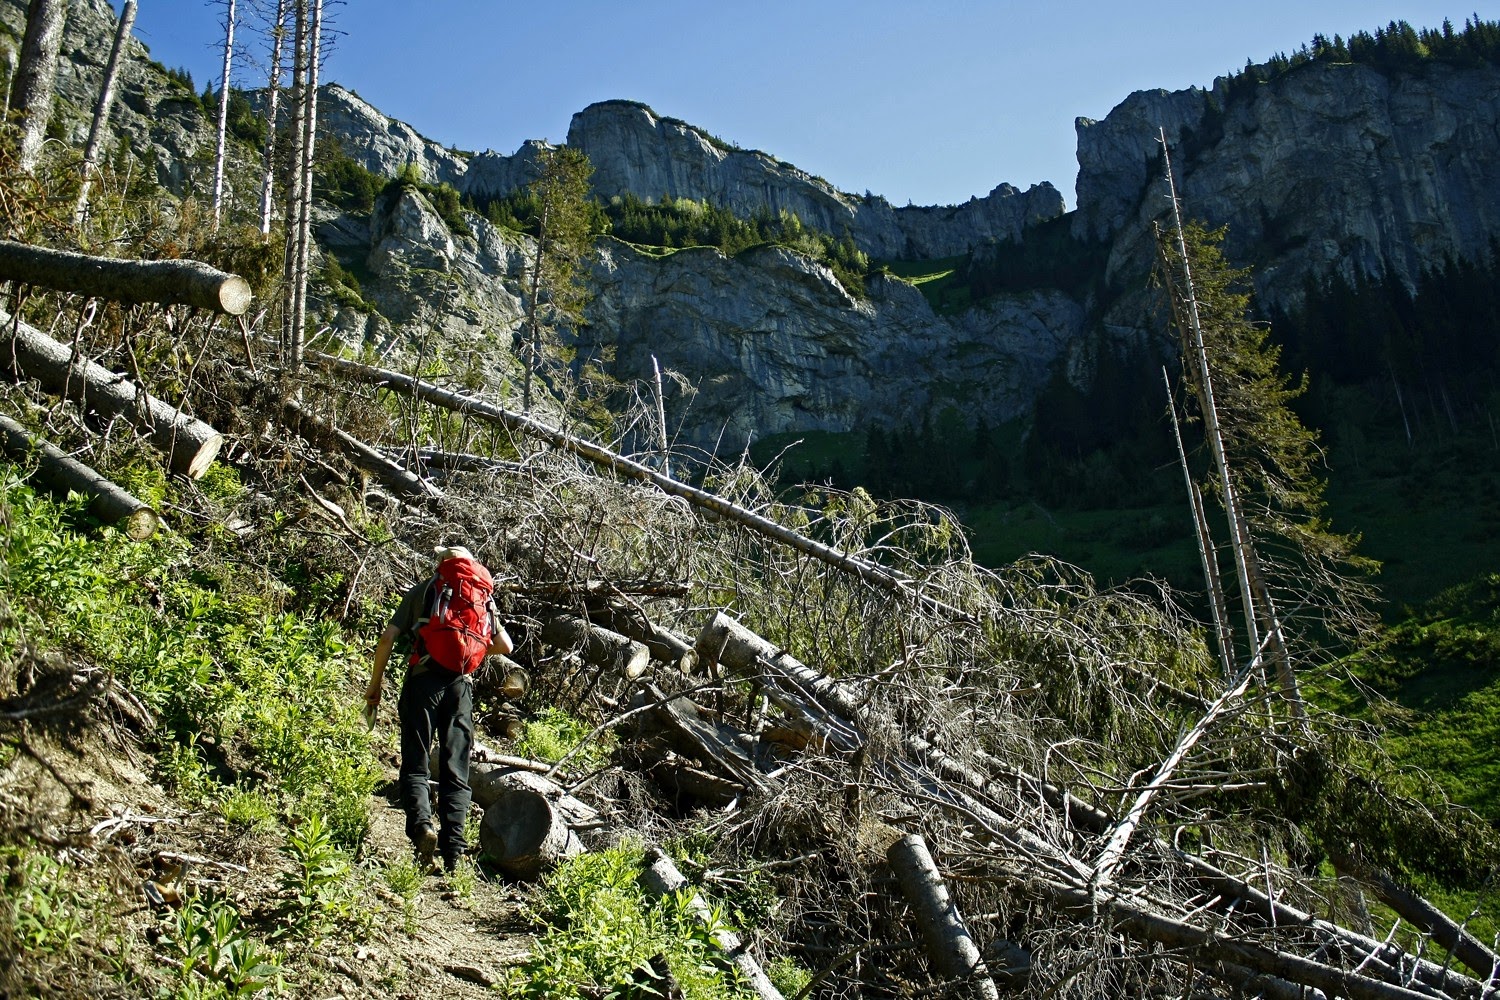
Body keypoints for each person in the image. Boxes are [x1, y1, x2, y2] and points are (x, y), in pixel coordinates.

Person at [366, 544, 513, 872]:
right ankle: (453, 853)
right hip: (460, 687)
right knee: (456, 770)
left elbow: (388, 637)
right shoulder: (483, 597)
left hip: (423, 680)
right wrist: (470, 654)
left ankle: (422, 827)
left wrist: (374, 685)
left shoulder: (426, 589)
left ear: (442, 563)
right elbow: (505, 645)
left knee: (417, 764)